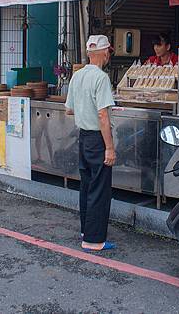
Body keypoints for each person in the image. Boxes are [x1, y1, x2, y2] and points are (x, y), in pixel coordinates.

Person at [65, 35, 117, 252]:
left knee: (86, 186)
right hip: (97, 139)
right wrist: (110, 147)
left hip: (83, 137)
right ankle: (94, 240)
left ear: (89, 53)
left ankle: (86, 230)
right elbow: (103, 115)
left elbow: (69, 109)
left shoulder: (77, 76)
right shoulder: (101, 78)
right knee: (99, 189)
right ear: (105, 53)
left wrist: (84, 108)